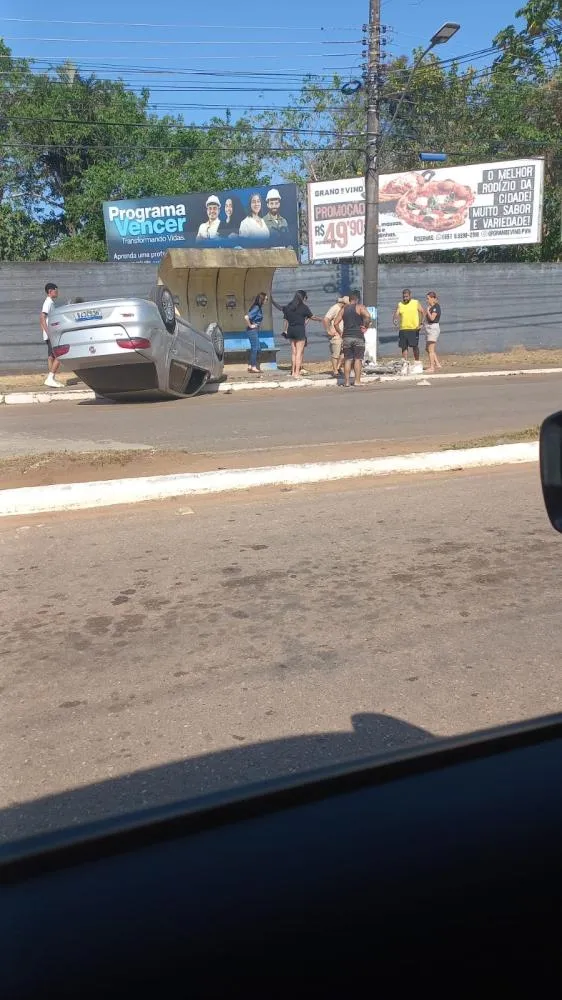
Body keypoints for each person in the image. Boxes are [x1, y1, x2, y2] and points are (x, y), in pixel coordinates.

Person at [272, 290, 323, 379]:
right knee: (299, 353)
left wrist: (272, 301)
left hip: (291, 331)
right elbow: (312, 317)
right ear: (302, 297)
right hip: (299, 331)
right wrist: (320, 319)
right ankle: (297, 373)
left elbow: (280, 308)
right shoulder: (304, 307)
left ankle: (293, 372)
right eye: (305, 297)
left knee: (294, 353)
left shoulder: (288, 307)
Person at [333, 291, 371, 388]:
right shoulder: (360, 307)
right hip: (358, 336)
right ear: (357, 299)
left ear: (349, 299)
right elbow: (368, 316)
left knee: (348, 359)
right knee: (358, 359)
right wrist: (365, 326)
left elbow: (336, 323)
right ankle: (357, 381)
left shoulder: (343, 309)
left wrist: (341, 332)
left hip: (346, 336)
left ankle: (346, 382)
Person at [40, 282, 64, 388]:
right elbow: (42, 317)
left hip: (48, 334)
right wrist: (49, 332)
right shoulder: (48, 302)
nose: (57, 292)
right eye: (56, 290)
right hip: (50, 334)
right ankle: (50, 378)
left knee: (51, 357)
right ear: (50, 291)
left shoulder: (50, 302)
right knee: (60, 355)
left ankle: (51, 379)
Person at [393, 289, 424, 368]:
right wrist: (395, 319)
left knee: (415, 346)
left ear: (410, 296)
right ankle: (405, 363)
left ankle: (417, 362)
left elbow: (423, 312)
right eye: (404, 297)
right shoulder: (400, 304)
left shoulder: (415, 302)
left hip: (413, 329)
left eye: (406, 296)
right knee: (404, 347)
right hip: (403, 329)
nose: (405, 298)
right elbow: (396, 314)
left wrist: (421, 323)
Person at [323, 296, 348, 377]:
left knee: (344, 353)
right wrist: (329, 331)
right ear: (343, 303)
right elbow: (326, 319)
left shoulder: (344, 309)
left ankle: (338, 367)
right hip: (336, 335)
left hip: (344, 334)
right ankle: (335, 371)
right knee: (336, 353)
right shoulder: (334, 308)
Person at [244, 292, 268, 374]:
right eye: (266, 299)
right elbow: (246, 317)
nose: (266, 301)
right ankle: (254, 367)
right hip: (252, 331)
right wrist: (251, 325)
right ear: (262, 299)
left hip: (253, 331)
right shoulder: (257, 307)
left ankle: (250, 366)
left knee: (256, 348)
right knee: (255, 348)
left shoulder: (257, 307)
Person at [424, 291, 442, 372]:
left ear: (433, 298)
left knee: (431, 349)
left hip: (433, 328)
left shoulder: (436, 307)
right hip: (429, 327)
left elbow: (432, 318)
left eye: (428, 299)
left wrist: (427, 311)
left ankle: (432, 367)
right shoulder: (431, 307)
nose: (427, 300)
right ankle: (437, 364)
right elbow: (427, 319)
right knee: (428, 348)